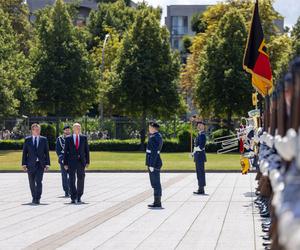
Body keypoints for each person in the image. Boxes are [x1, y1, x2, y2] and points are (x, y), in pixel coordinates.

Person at [22, 123, 50, 204]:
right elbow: (24, 153)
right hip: (30, 164)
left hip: (40, 164)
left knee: (38, 181)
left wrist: (47, 164)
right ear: (32, 130)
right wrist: (24, 164)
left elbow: (46, 152)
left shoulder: (43, 139)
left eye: (39, 130)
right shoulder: (27, 140)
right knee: (31, 182)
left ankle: (38, 197)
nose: (38, 131)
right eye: (36, 130)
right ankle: (34, 196)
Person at [63, 123, 90, 204]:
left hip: (81, 162)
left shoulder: (84, 138)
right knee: (71, 179)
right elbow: (65, 152)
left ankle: (79, 196)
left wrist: (87, 161)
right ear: (73, 129)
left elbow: (86, 151)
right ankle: (73, 196)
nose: (78, 129)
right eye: (76, 128)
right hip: (71, 162)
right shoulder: (68, 138)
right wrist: (65, 163)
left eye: (79, 128)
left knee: (81, 178)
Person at [146, 122, 163, 208]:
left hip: (154, 162)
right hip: (154, 161)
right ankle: (157, 201)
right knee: (155, 182)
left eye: (150, 127)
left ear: (153, 128)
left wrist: (151, 164)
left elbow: (154, 152)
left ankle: (157, 202)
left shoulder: (154, 137)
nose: (149, 129)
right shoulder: (157, 136)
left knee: (155, 182)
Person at [55, 125, 71, 197]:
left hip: (71, 159)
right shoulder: (60, 139)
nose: (67, 131)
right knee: (64, 176)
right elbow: (58, 149)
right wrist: (61, 158)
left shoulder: (72, 138)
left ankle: (71, 189)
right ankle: (66, 191)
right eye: (66, 130)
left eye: (68, 130)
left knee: (71, 175)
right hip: (63, 159)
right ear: (64, 131)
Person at [193, 121, 207, 195]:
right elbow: (196, 146)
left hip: (200, 156)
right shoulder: (199, 135)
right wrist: (193, 153)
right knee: (199, 173)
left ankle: (201, 189)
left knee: (201, 172)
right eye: (198, 125)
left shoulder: (202, 135)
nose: (199, 126)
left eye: (201, 125)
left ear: (203, 126)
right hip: (197, 156)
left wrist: (195, 149)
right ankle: (200, 188)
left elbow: (201, 147)